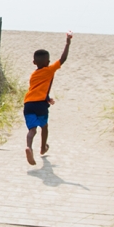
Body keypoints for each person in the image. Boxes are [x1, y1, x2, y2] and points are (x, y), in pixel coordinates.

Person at [23, 32, 73, 165]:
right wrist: (67, 43)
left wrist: (47, 98)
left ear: (34, 62)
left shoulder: (33, 75)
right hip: (40, 105)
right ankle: (43, 147)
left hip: (28, 104)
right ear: (48, 62)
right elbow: (63, 59)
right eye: (49, 61)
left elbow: (37, 90)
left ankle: (28, 146)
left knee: (32, 130)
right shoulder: (49, 70)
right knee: (44, 127)